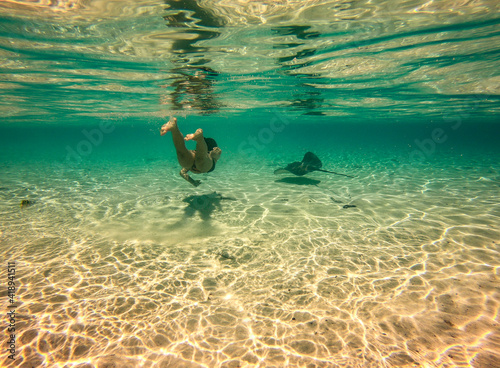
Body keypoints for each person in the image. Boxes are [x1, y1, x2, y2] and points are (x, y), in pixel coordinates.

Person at [160, 117, 221, 187]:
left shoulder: (199, 153)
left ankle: (174, 128)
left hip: (191, 163)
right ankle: (200, 139)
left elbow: (182, 172)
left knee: (181, 152)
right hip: (204, 165)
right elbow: (216, 153)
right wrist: (214, 154)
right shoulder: (213, 157)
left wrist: (193, 182)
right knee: (202, 157)